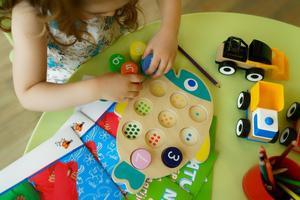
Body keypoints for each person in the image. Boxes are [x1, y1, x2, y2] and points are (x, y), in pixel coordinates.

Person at [0, 0, 181, 111]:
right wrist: (97, 88)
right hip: (69, 85)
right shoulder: (29, 15)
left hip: (112, 49)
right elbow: (29, 94)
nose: (111, 14)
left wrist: (169, 30)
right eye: (98, 13)